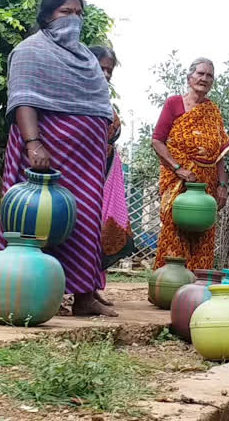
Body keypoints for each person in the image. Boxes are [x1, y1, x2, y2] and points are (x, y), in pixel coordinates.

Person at [0, 0, 117, 317]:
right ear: (48, 15)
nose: (73, 20)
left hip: (85, 157)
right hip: (45, 148)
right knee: (31, 218)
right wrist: (33, 142)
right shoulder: (29, 51)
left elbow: (99, 104)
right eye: (66, 13)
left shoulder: (85, 58)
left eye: (79, 14)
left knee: (84, 218)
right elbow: (23, 98)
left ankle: (84, 295)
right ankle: (19, 291)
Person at [151, 58, 229, 271]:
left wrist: (222, 186)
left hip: (206, 186)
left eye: (209, 76)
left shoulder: (213, 111)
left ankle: (197, 288)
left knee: (203, 235)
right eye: (200, 74)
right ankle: (168, 285)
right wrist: (179, 169)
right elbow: (157, 141)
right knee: (174, 230)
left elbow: (220, 154)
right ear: (189, 78)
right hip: (178, 180)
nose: (204, 79)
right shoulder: (174, 104)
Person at [89, 46, 134, 307]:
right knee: (82, 229)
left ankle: (92, 286)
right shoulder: (78, 94)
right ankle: (70, 288)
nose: (105, 74)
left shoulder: (104, 99)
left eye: (109, 70)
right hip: (84, 172)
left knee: (103, 230)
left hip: (106, 171)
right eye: (101, 67)